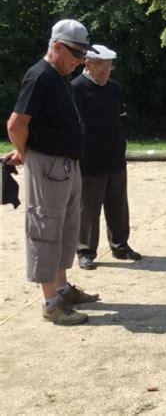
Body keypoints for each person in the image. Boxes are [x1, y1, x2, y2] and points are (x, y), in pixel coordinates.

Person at [6, 19, 100, 325]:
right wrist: (23, 152)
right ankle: (50, 302)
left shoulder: (59, 75)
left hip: (65, 165)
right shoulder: (40, 76)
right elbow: (16, 123)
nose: (81, 60)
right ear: (57, 46)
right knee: (45, 230)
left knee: (65, 230)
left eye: (84, 53)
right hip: (47, 165)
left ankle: (61, 288)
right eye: (76, 53)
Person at [72, 44, 141, 270]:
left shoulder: (113, 88)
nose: (105, 70)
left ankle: (120, 245)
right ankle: (85, 251)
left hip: (115, 157)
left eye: (109, 66)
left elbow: (120, 118)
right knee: (88, 209)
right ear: (87, 63)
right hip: (89, 159)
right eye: (100, 65)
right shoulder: (75, 88)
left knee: (119, 205)